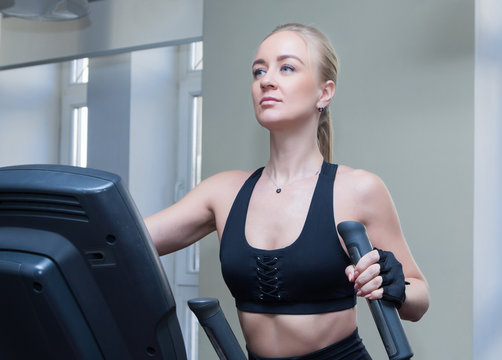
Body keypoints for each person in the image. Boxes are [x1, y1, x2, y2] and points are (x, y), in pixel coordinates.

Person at [146, 23, 429, 360]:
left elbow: (419, 301)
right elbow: (122, 239)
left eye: (287, 67)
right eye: (258, 71)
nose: (266, 79)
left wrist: (392, 283)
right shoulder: (222, 192)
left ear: (324, 93)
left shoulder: (357, 189)